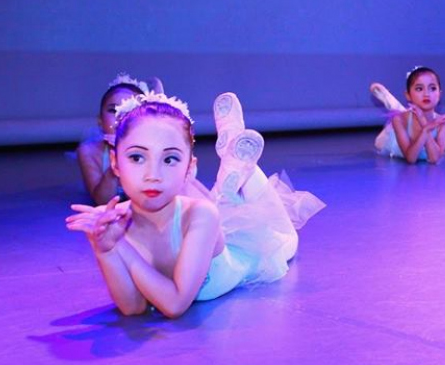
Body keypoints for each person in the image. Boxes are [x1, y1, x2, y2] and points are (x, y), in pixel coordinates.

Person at [65, 92, 324, 318]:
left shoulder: (202, 214)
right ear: (114, 162)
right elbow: (133, 307)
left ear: (189, 167)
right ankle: (231, 170)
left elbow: (175, 304)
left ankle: (242, 164)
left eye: (169, 159)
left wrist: (120, 245)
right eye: (137, 157)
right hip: (209, 225)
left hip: (250, 252)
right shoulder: (112, 221)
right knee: (224, 201)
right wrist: (106, 248)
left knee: (287, 240)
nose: (152, 175)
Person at [76, 74, 161, 204]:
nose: (120, 116)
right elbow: (102, 202)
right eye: (113, 110)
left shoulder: (154, 147)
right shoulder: (89, 151)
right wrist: (118, 159)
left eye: (129, 110)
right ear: (100, 120)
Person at [369, 66, 445, 164]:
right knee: (380, 140)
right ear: (408, 95)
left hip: (408, 118)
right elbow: (411, 158)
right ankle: (391, 102)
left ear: (440, 94)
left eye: (432, 88)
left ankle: (395, 105)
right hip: (392, 138)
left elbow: (434, 159)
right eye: (419, 89)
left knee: (402, 113)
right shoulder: (399, 120)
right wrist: (425, 127)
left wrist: (424, 126)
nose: (426, 94)